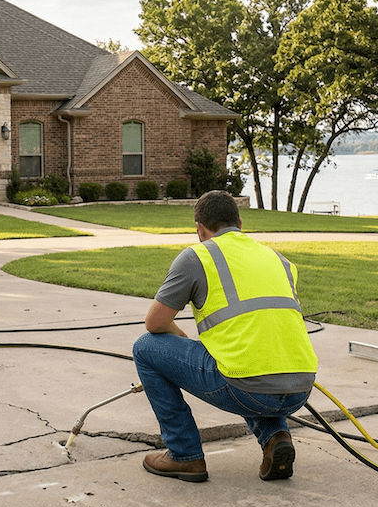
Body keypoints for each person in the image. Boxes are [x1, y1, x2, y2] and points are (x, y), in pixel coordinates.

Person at [132, 191, 318, 482]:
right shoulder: (278, 259)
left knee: (146, 348)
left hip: (246, 386)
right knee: (249, 362)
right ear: (240, 223)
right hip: (301, 387)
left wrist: (185, 345)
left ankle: (184, 455)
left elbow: (154, 323)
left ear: (199, 228)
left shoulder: (197, 256)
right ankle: (275, 437)